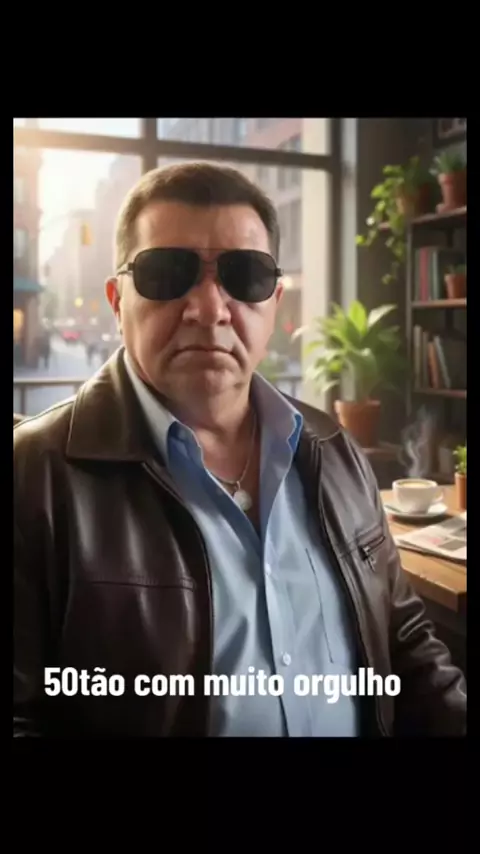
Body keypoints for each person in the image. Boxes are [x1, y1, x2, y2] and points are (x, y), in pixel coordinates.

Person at [13, 162, 466, 738]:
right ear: (116, 300)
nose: (209, 309)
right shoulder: (34, 476)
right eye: (167, 272)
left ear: (274, 301)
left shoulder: (335, 452)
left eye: (243, 276)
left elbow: (405, 646)